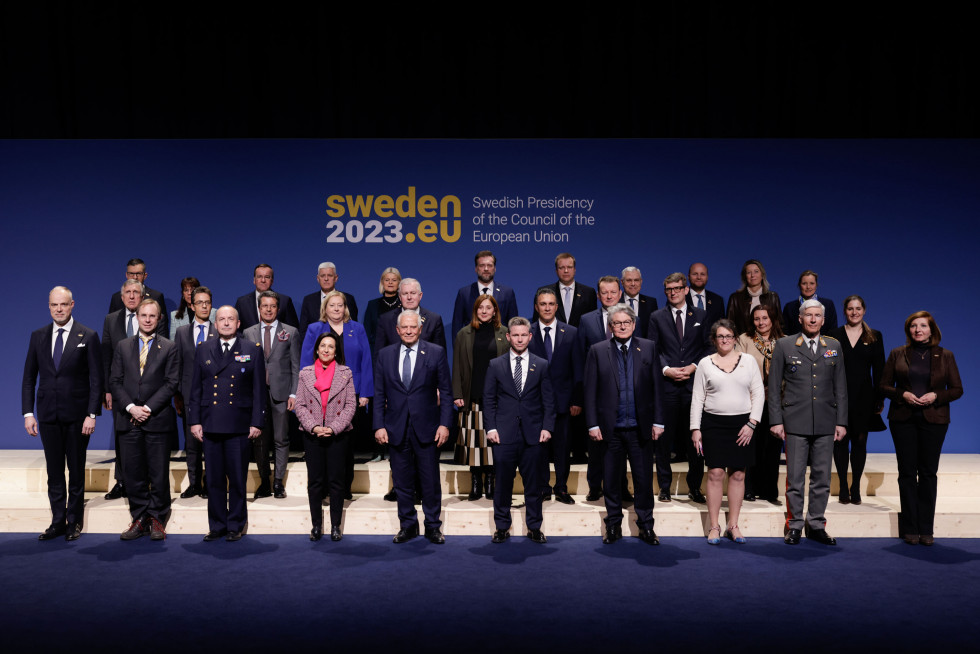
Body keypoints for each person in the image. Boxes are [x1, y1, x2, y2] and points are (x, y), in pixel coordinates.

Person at [22, 286, 103, 541]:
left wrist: (92, 413)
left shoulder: (87, 335)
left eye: (64, 305)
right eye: (54, 305)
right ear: (49, 306)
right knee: (54, 471)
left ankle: (74, 522)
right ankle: (57, 521)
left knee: (76, 471)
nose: (59, 309)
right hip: (47, 415)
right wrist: (28, 413)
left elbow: (96, 379)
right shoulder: (38, 336)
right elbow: (28, 378)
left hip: (78, 416)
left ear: (72, 305)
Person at [880, 311, 962, 546]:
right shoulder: (898, 353)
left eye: (923, 325)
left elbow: (957, 389)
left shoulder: (945, 355)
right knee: (906, 473)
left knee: (927, 474)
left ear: (931, 330)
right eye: (913, 326)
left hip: (934, 420)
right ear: (909, 331)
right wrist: (902, 393)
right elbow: (884, 385)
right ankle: (910, 528)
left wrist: (936, 395)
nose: (918, 330)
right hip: (903, 419)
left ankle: (926, 529)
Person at [584, 304, 664, 545]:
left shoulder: (648, 347)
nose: (621, 326)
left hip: (641, 428)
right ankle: (614, 526)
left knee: (642, 480)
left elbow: (657, 389)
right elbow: (590, 392)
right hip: (611, 430)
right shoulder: (597, 350)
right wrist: (592, 424)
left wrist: (658, 421)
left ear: (634, 324)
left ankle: (646, 526)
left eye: (625, 323)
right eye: (616, 323)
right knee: (611, 481)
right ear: (610, 326)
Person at [769, 299, 847, 546]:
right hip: (794, 421)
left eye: (817, 316)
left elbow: (841, 388)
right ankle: (794, 525)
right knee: (795, 477)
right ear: (800, 318)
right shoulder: (784, 345)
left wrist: (842, 421)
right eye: (808, 315)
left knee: (822, 477)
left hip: (826, 420)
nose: (813, 319)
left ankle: (816, 524)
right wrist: (776, 421)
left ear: (823, 320)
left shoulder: (834, 346)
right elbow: (773, 389)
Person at [373, 311, 453, 544]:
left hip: (427, 428)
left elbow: (446, 393)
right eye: (404, 328)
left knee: (429, 481)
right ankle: (407, 525)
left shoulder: (436, 353)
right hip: (396, 428)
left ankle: (433, 526)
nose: (409, 331)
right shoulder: (385, 355)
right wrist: (378, 425)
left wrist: (445, 424)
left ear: (420, 329)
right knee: (402, 482)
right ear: (397, 330)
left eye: (413, 327)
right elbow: (379, 394)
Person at [188, 306, 266, 542]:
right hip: (211, 423)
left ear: (238, 323)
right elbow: (196, 388)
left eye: (230, 319)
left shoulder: (252, 349)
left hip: (239, 425)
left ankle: (235, 524)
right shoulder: (203, 350)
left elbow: (259, 391)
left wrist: (257, 421)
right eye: (221, 319)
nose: (225, 323)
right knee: (213, 479)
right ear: (215, 324)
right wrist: (195, 421)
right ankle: (217, 525)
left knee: (237, 479)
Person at [109, 298, 179, 541]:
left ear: (159, 319)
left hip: (156, 419)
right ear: (137, 317)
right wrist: (131, 407)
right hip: (128, 419)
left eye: (152, 316)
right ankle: (139, 517)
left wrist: (146, 408)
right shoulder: (123, 346)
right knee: (133, 473)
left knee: (158, 473)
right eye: (143, 315)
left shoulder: (169, 347)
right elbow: (115, 381)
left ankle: (157, 518)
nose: (148, 319)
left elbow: (171, 384)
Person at [691, 319, 765, 544]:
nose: (725, 340)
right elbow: (698, 398)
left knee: (738, 474)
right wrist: (695, 428)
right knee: (714, 473)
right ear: (714, 340)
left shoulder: (749, 361)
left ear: (735, 339)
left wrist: (752, 423)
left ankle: (733, 525)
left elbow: (758, 393)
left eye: (729, 336)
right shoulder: (704, 363)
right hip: (713, 424)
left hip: (743, 425)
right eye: (720, 336)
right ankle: (714, 526)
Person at [483, 317, 555, 543]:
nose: (520, 339)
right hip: (503, 435)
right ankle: (502, 527)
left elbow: (549, 401)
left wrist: (547, 427)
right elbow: (488, 399)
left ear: (530, 336)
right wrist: (491, 427)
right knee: (503, 483)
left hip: (533, 434)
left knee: (533, 485)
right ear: (508, 337)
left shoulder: (541, 364)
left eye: (524, 335)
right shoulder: (496, 365)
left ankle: (534, 527)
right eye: (516, 335)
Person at [301, 290, 373, 498]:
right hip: (320, 396)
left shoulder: (357, 329)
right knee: (322, 445)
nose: (336, 309)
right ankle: (323, 488)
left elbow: (366, 360)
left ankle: (344, 487)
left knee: (345, 444)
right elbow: (306, 361)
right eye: (332, 305)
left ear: (345, 308)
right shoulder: (315, 329)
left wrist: (366, 393)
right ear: (325, 308)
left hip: (352, 395)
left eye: (340, 305)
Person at [647, 272, 710, 504]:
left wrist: (694, 366)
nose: (673, 292)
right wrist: (666, 370)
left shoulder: (701, 315)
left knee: (695, 440)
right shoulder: (656, 317)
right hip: (667, 387)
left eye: (677, 288)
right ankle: (664, 487)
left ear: (686, 290)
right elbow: (653, 349)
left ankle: (695, 487)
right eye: (668, 289)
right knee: (664, 441)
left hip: (694, 387)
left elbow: (708, 347)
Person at [102, 279, 167, 501]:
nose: (131, 296)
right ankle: (122, 481)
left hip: (151, 395)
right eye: (127, 292)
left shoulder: (154, 323)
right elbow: (106, 356)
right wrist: (108, 389)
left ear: (142, 297)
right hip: (122, 393)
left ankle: (145, 485)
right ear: (122, 297)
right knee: (124, 438)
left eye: (135, 293)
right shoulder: (111, 320)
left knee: (149, 448)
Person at [294, 331, 357, 541]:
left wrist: (334, 427)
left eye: (331, 346)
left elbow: (350, 405)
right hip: (312, 436)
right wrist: (313, 427)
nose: (326, 350)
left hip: (337, 435)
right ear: (317, 349)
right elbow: (300, 405)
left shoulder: (345, 373)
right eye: (323, 346)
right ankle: (316, 525)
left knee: (337, 482)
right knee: (315, 482)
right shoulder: (305, 373)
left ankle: (336, 525)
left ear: (336, 350)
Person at [529, 287, 584, 505]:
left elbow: (577, 368)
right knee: (539, 449)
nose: (547, 308)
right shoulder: (528, 331)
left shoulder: (571, 332)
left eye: (551, 304)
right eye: (543, 304)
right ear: (536, 307)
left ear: (557, 307)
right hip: (536, 403)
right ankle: (543, 488)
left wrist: (577, 399)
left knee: (562, 448)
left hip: (563, 402)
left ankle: (561, 487)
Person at [829, 295, 886, 505]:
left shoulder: (874, 336)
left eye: (858, 308)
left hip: (864, 396)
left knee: (860, 442)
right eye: (850, 309)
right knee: (840, 441)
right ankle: (843, 485)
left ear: (864, 310)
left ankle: (856, 487)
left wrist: (880, 398)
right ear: (845, 311)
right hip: (838, 396)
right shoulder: (833, 335)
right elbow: (827, 368)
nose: (854, 312)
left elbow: (880, 369)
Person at [452, 295, 509, 500]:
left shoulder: (504, 334)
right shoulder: (464, 334)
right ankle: (476, 483)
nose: (484, 311)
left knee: (493, 443)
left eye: (488, 307)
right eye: (480, 308)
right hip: (472, 395)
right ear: (475, 310)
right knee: (474, 442)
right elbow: (457, 364)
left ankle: (490, 482)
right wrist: (457, 393)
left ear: (495, 311)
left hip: (498, 399)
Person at [244, 290, 300, 500]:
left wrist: (294, 393)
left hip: (281, 393)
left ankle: (278, 482)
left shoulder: (291, 332)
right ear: (259, 309)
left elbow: (295, 366)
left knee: (281, 439)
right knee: (259, 441)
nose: (268, 309)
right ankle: (264, 482)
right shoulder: (248, 332)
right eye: (264, 306)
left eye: (272, 306)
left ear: (278, 308)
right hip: (256, 394)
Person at [578, 275, 629, 501]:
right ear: (598, 296)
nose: (609, 296)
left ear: (620, 294)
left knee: (622, 445)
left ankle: (621, 485)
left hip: (625, 394)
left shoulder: (628, 318)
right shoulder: (587, 320)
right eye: (604, 292)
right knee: (596, 444)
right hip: (597, 394)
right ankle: (594, 486)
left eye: (613, 292)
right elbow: (579, 357)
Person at [735, 304, 785, 504]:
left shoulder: (784, 341)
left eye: (765, 318)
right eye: (757, 319)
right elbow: (739, 366)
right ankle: (749, 488)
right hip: (750, 400)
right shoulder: (744, 339)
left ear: (772, 318)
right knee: (751, 445)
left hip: (777, 400)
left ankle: (768, 490)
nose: (761, 322)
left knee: (772, 446)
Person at [173, 286, 215, 498]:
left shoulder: (219, 330)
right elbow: (177, 365)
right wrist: (178, 395)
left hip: (214, 397)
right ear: (192, 305)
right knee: (191, 444)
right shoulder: (182, 333)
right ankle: (194, 483)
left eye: (207, 302)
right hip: (189, 396)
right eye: (200, 303)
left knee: (211, 443)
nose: (204, 306)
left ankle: (210, 483)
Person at [451, 250, 519, 339]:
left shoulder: (507, 293)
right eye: (482, 265)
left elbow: (514, 324)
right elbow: (457, 326)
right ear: (476, 269)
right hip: (472, 348)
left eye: (489, 265)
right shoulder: (464, 293)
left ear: (494, 268)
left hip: (501, 347)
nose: (486, 269)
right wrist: (458, 351)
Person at [375, 278, 447, 351]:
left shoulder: (433, 320)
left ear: (420, 295)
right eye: (405, 294)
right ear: (400, 297)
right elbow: (379, 355)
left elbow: (440, 355)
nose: (409, 297)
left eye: (413, 293)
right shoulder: (386, 320)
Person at [299, 261, 359, 343]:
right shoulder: (308, 300)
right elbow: (303, 331)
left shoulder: (348, 299)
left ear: (336, 278)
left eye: (330, 275)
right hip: (316, 350)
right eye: (322, 276)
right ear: (318, 278)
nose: (326, 279)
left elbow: (353, 328)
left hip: (343, 350)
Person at [532, 252, 597, 327]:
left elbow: (592, 323)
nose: (566, 271)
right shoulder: (543, 292)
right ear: (556, 271)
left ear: (574, 269)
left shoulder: (588, 292)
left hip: (580, 337)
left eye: (569, 267)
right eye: (561, 268)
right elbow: (536, 322)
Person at [107, 258, 169, 336]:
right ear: (126, 275)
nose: (135, 277)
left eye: (138, 273)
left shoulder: (156, 296)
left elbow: (163, 330)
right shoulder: (117, 297)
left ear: (145, 275)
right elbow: (111, 327)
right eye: (131, 274)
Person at [234, 263, 298, 331]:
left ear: (272, 281)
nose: (263, 280)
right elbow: (236, 330)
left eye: (267, 277)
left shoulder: (284, 301)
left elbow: (293, 331)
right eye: (259, 277)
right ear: (254, 280)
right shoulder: (242, 302)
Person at [726, 259, 782, 337]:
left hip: (769, 344)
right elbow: (729, 326)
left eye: (756, 271)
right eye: (749, 272)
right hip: (743, 344)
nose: (753, 275)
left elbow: (779, 324)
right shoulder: (735, 298)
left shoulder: (773, 297)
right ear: (745, 276)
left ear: (762, 275)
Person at [783, 270, 839, 335]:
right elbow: (785, 333)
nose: (808, 287)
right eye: (804, 283)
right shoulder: (789, 307)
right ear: (799, 285)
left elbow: (833, 331)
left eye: (812, 283)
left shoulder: (828, 305)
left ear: (816, 285)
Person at [363, 267, 402, 359]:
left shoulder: (405, 304)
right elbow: (367, 332)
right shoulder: (372, 305)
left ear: (399, 283)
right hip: (377, 354)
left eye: (394, 280)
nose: (390, 282)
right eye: (387, 280)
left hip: (399, 353)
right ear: (382, 282)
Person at [620, 266, 657, 338]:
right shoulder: (615, 302)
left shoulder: (651, 303)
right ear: (622, 282)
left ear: (641, 282)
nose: (633, 284)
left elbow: (654, 331)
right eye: (629, 280)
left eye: (636, 280)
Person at [686, 262, 725, 329]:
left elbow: (722, 327)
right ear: (688, 277)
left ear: (707, 277)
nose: (699, 277)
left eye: (702, 274)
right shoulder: (679, 298)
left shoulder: (717, 300)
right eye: (695, 274)